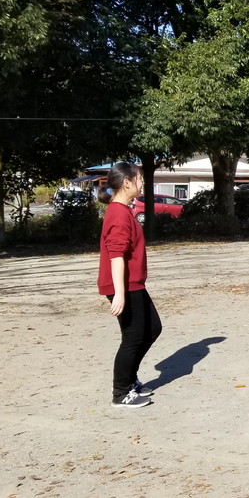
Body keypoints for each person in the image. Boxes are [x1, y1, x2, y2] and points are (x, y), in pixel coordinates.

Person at [97, 162, 161, 409]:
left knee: (152, 328)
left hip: (133, 284)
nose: (142, 182)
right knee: (133, 338)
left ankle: (130, 379)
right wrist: (119, 294)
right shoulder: (118, 213)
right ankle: (121, 392)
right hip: (124, 286)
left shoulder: (123, 211)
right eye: (139, 178)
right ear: (127, 183)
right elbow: (116, 256)